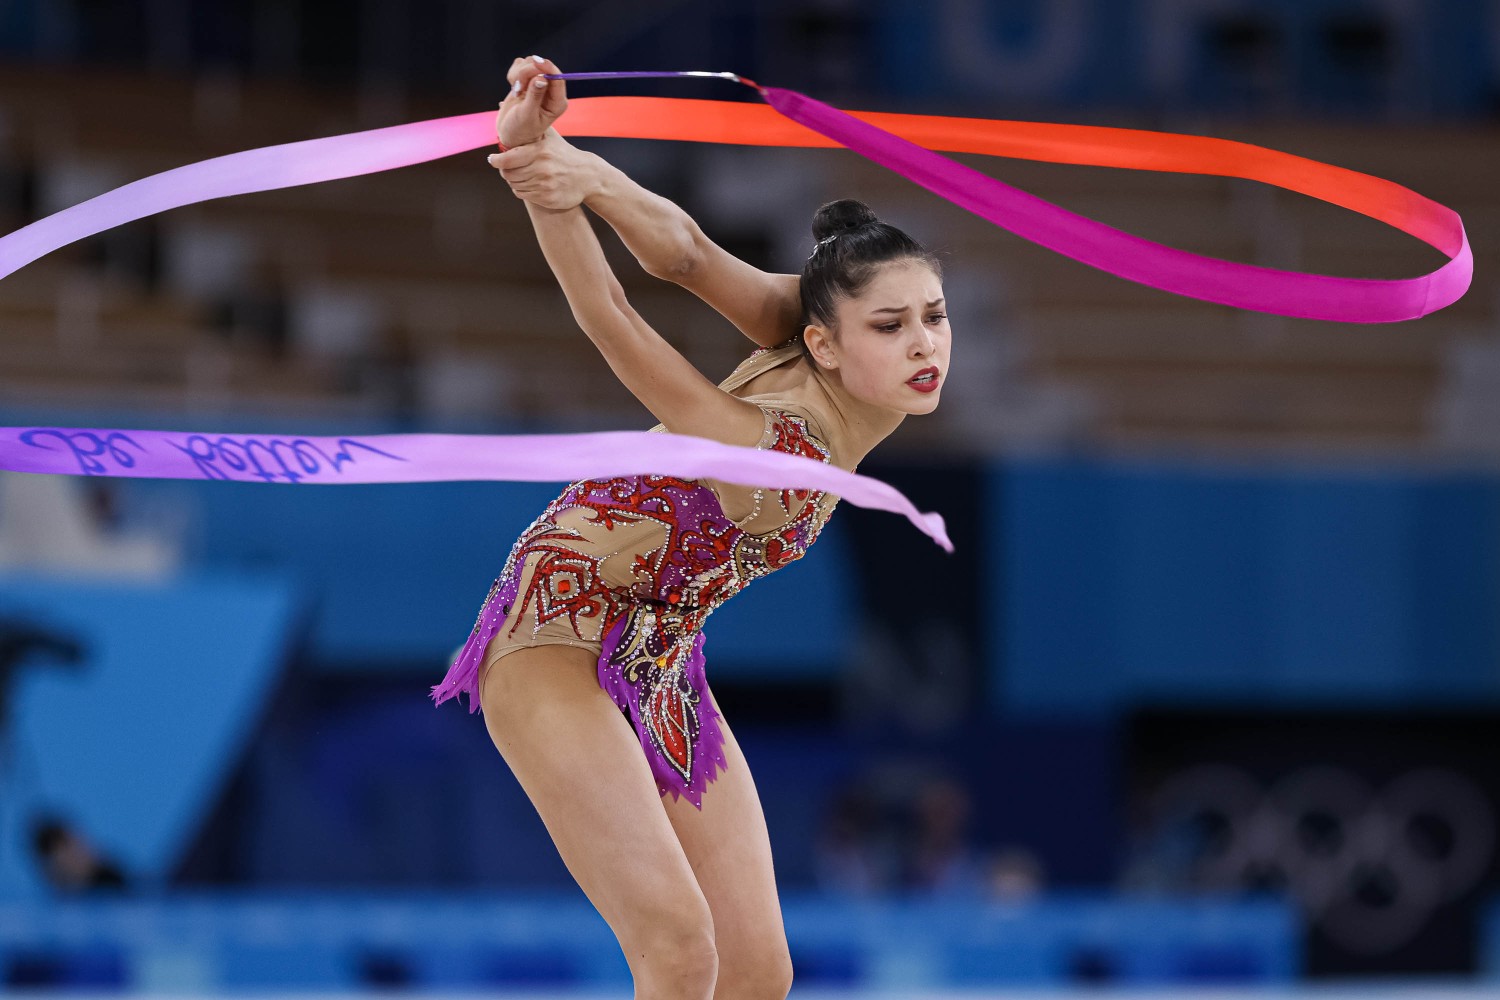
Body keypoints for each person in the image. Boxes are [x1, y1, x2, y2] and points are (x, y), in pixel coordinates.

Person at [430, 55, 952, 1000]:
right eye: (891, 326)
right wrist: (543, 176)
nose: (923, 344)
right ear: (828, 343)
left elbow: (682, 252)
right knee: (678, 951)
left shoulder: (804, 323)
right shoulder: (781, 456)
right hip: (554, 636)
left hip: (661, 660)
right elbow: (613, 319)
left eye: (934, 317)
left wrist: (583, 167)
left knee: (757, 971)